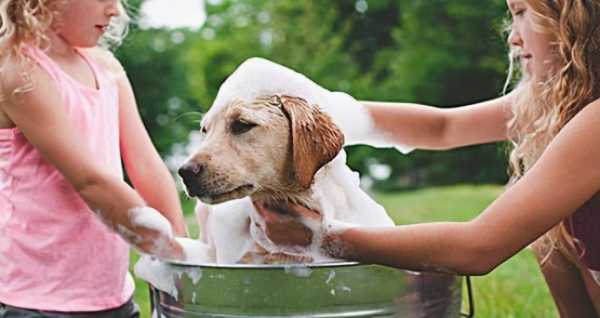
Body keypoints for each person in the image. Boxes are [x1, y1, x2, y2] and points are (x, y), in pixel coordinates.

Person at [254, 0, 600, 316]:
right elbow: (443, 128)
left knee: (545, 231)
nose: (513, 39)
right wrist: (315, 116)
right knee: (551, 235)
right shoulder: (554, 102)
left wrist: (321, 235)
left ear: (575, 16)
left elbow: (478, 247)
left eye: (522, 11)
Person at [0, 0, 187, 316]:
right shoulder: (20, 69)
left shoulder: (107, 69)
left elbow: (146, 165)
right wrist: (168, 249)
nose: (115, 10)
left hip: (111, 294)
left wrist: (183, 251)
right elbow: (90, 181)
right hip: (37, 299)